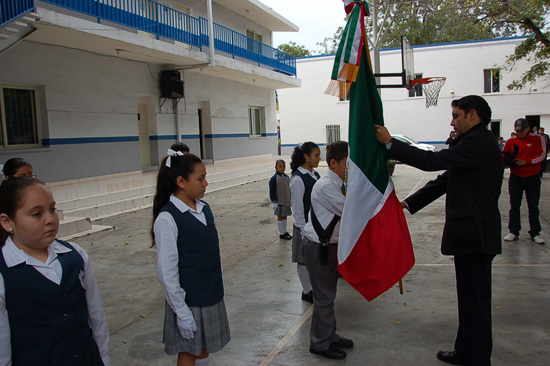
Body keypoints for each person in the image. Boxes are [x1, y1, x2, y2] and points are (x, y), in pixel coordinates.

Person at [375, 95, 503, 366]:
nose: (452, 121)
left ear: (473, 115)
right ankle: (465, 351)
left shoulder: (478, 142)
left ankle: (478, 359)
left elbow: (432, 162)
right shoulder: (472, 144)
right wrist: (407, 204)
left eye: (456, 115)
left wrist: (390, 143)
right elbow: (445, 180)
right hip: (470, 236)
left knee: (476, 303)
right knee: (468, 299)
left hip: (476, 235)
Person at [0, 177, 110, 365]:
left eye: (52, 209)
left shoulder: (76, 256)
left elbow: (96, 319)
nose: (50, 220)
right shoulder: (5, 273)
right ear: (7, 222)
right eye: (36, 214)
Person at [152, 152, 230, 366]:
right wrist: (181, 311)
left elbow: (211, 248)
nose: (206, 183)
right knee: (188, 351)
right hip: (189, 300)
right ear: (181, 182)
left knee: (203, 348)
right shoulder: (168, 218)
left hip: (210, 293)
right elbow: (167, 272)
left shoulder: (204, 209)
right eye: (200, 178)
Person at [302, 141, 353, 360]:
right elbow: (351, 211)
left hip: (329, 246)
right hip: (319, 247)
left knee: (328, 294)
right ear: (333, 163)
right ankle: (319, 343)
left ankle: (329, 334)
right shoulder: (326, 186)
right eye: (348, 163)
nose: (350, 168)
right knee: (323, 296)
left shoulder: (337, 183)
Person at [502, 118, 546, 245]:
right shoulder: (511, 141)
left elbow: (542, 155)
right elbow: (505, 156)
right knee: (514, 205)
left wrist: (527, 161)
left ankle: (535, 232)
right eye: (517, 131)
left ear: (528, 128)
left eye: (521, 130)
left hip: (532, 177)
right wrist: (508, 163)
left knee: (533, 206)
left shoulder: (538, 139)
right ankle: (513, 231)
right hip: (516, 177)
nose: (519, 133)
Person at [290, 142, 321, 304]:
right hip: (304, 226)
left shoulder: (315, 175)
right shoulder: (298, 179)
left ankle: (312, 287)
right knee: (303, 260)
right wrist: (302, 231)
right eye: (316, 155)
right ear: (306, 156)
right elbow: (298, 209)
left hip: (316, 225)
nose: (319, 158)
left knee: (313, 260)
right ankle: (306, 290)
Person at [268, 159, 292, 240]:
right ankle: (281, 233)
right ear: (276, 167)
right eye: (280, 166)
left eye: (283, 166)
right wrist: (274, 201)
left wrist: (290, 199)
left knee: (285, 216)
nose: (282, 168)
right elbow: (272, 191)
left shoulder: (286, 177)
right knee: (280, 217)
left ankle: (285, 231)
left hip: (286, 201)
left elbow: (289, 189)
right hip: (279, 202)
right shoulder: (274, 178)